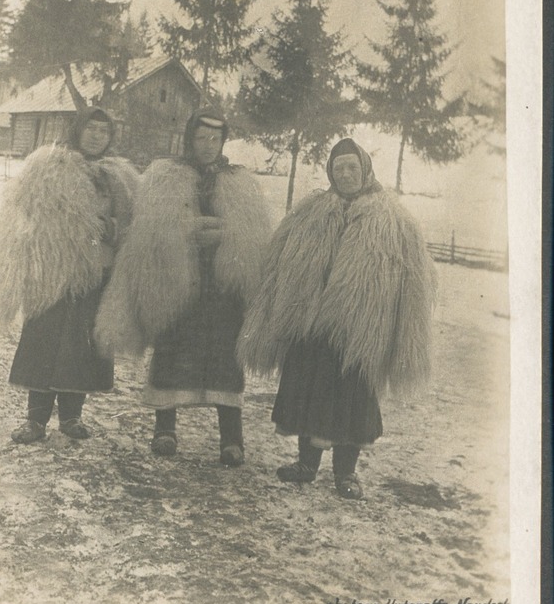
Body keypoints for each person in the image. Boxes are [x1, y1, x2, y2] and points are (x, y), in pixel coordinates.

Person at [238, 138, 437, 499]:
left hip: (359, 331)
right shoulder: (311, 212)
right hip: (311, 325)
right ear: (330, 172)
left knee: (352, 401)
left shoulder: (393, 220)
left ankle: (346, 474)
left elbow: (415, 283)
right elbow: (279, 262)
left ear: (365, 170)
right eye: (338, 167)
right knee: (308, 393)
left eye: (352, 167)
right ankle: (306, 465)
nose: (345, 174)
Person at [96, 107, 271, 466]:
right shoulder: (164, 176)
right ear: (189, 138)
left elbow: (254, 236)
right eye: (201, 138)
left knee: (226, 357)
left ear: (224, 141)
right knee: (173, 349)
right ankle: (165, 429)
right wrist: (187, 231)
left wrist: (226, 235)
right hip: (176, 280)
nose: (208, 145)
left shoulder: (240, 181)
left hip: (222, 287)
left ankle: (231, 439)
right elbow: (148, 229)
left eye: (215, 139)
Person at [0, 104, 139, 443]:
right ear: (78, 130)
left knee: (82, 347)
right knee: (45, 344)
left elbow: (130, 224)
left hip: (95, 272)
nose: (97, 137)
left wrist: (108, 228)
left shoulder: (118, 178)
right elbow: (29, 212)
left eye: (104, 131)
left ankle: (71, 418)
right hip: (53, 273)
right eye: (91, 129)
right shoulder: (50, 167)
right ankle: (35, 422)